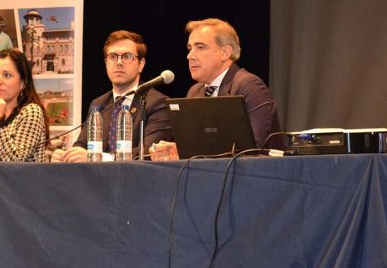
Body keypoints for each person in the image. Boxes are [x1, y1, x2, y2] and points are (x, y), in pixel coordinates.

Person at [150, 18, 282, 160]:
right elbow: (197, 143)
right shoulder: (195, 91)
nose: (190, 56)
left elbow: (251, 149)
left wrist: (186, 151)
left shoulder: (249, 86)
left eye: (200, 47)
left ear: (225, 52)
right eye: (190, 48)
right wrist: (179, 150)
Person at [52, 30, 173, 162]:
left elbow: (149, 153)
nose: (119, 62)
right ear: (106, 63)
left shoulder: (157, 103)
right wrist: (66, 156)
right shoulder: (98, 103)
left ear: (141, 64)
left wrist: (98, 157)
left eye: (127, 56)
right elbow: (81, 146)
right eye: (113, 57)